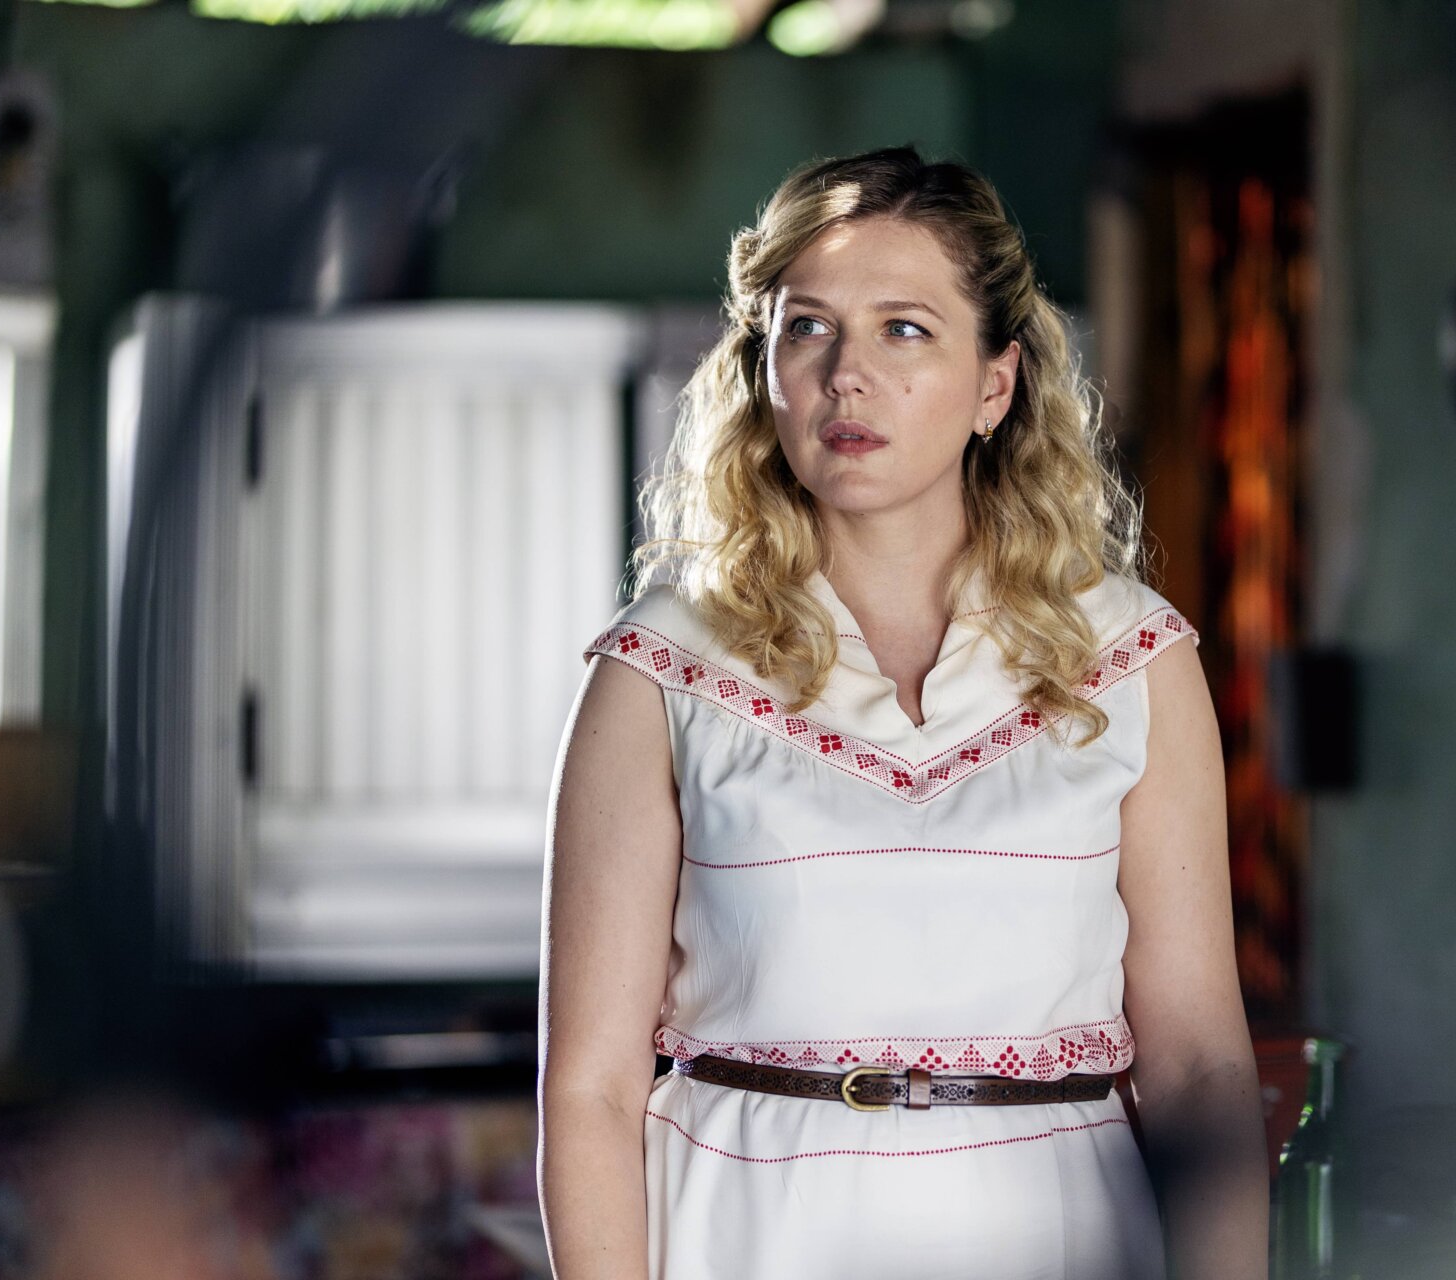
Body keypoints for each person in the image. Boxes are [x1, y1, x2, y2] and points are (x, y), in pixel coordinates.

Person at [537, 146, 1267, 1279]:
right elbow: (588, 1088)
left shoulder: (1131, 656)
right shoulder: (660, 665)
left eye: (905, 329)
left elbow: (1201, 1073)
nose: (847, 375)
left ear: (996, 385)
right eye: (807, 328)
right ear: (763, 368)